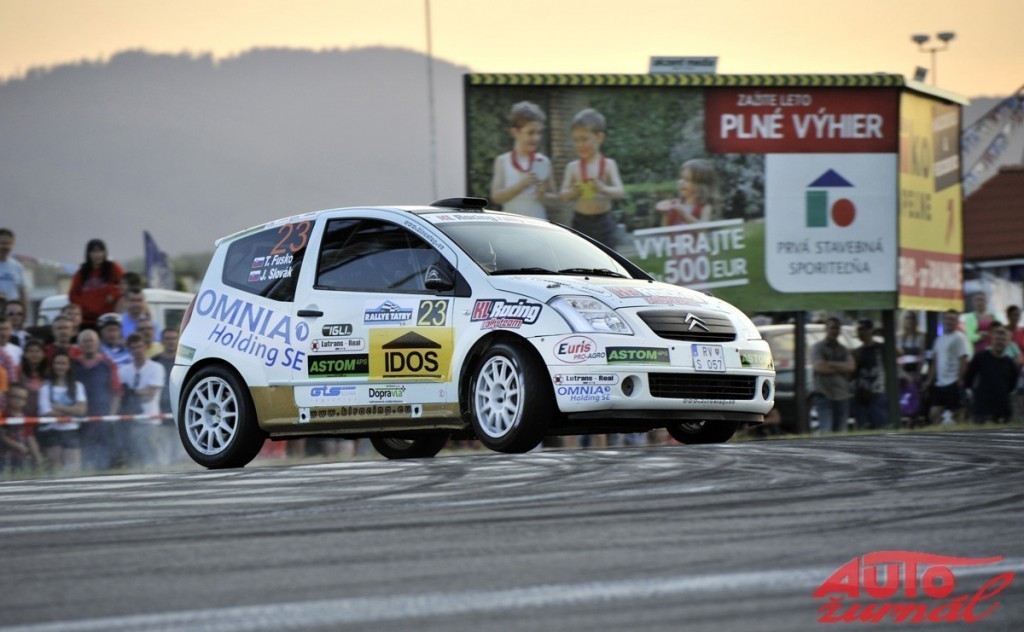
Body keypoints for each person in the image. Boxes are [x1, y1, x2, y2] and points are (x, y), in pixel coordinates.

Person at [559, 108, 625, 248]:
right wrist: (573, 192)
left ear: (599, 138)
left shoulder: (609, 165)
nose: (579, 145)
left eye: (584, 139)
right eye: (576, 140)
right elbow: (563, 195)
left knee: (608, 257)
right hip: (581, 221)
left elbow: (620, 192)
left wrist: (603, 188)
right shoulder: (572, 167)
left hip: (603, 221)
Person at [489, 101, 557, 219]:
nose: (536, 138)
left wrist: (543, 195)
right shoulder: (503, 161)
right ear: (515, 132)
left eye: (539, 132)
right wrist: (521, 185)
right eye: (531, 133)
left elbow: (555, 199)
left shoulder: (543, 161)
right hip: (512, 224)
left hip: (537, 223)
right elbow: (496, 197)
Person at [74, 329, 122, 471]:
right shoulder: (73, 364)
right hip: (79, 416)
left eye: (91, 341)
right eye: (85, 341)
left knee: (103, 455)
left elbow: (116, 392)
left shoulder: (108, 364)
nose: (88, 344)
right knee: (83, 451)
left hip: (102, 416)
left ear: (97, 343)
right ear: (79, 344)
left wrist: (111, 415)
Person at [118, 333, 165, 467]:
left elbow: (149, 394)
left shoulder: (156, 368)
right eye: (133, 348)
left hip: (150, 418)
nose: (137, 350)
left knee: (153, 455)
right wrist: (137, 392)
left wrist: (131, 392)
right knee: (133, 457)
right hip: (130, 420)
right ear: (129, 350)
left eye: (139, 346)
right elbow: (121, 394)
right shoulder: (123, 370)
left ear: (145, 347)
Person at [37, 350, 87, 475]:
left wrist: (58, 407)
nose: (60, 366)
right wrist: (71, 411)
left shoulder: (77, 386)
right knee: (56, 470)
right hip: (52, 431)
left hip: (71, 430)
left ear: (69, 366)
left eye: (63, 363)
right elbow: (46, 412)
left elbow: (81, 410)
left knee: (74, 470)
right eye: (57, 363)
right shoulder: (45, 387)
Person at [963, 324, 1018, 424]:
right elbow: (968, 378)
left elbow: (1012, 386)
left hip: (1002, 411)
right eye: (997, 339)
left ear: (1008, 342)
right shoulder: (980, 357)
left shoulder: (1011, 364)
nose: (1000, 342)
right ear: (992, 340)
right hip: (981, 411)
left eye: (1003, 340)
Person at [924, 309, 970, 425]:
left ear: (957, 322)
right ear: (943, 320)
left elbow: (963, 359)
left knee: (958, 415)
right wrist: (929, 381)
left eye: (952, 319)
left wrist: (960, 380)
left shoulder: (959, 338)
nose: (949, 321)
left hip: (953, 382)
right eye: (947, 319)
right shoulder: (939, 339)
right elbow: (935, 362)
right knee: (933, 414)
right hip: (940, 384)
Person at [810, 316, 855, 433]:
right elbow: (819, 367)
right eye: (832, 328)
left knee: (841, 431)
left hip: (842, 394)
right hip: (824, 393)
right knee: (826, 430)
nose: (834, 331)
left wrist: (829, 364)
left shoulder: (843, 349)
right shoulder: (818, 347)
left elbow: (851, 367)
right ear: (826, 329)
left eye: (837, 328)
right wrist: (841, 368)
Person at [68, 238, 125, 330]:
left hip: (109, 320)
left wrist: (114, 294)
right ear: (88, 254)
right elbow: (72, 295)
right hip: (87, 321)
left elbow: (126, 285)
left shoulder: (113, 268)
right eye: (94, 252)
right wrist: (85, 305)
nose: (97, 255)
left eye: (100, 251)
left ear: (105, 252)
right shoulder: (81, 272)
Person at [656, 159, 720, 226]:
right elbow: (665, 229)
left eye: (687, 180)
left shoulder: (705, 207)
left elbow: (703, 228)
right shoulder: (675, 203)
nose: (681, 182)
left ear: (700, 186)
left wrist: (683, 212)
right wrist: (666, 215)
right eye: (681, 178)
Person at [852, 318, 888, 430]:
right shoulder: (857, 352)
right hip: (862, 394)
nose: (859, 332)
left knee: (881, 426)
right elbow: (853, 373)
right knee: (862, 428)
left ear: (869, 330)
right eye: (858, 330)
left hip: (878, 392)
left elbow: (897, 356)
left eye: (862, 329)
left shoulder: (881, 349)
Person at [1, 383, 43, 473]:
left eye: (21, 398)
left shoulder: (26, 418)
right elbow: (2, 436)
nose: (18, 400)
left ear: (25, 401)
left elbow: (29, 437)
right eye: (14, 396)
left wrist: (37, 455)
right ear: (8, 397)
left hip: (21, 456)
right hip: (5, 456)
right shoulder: (4, 415)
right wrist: (18, 446)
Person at [897, 311, 926, 426]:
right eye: (907, 318)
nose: (909, 321)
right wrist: (904, 374)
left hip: (915, 373)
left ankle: (913, 420)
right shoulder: (899, 337)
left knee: (915, 399)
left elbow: (922, 357)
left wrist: (917, 373)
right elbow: (897, 359)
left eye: (912, 318)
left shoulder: (921, 337)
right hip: (902, 374)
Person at [0, 228, 29, 319]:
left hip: (12, 315)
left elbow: (22, 292)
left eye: (8, 243)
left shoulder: (17, 266)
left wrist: (24, 313)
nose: (5, 247)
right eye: (2, 243)